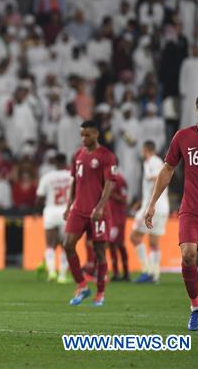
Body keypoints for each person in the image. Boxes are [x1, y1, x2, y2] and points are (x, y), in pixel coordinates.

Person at [143, 91, 198, 332]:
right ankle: (195, 308)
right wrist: (152, 202)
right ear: (196, 111)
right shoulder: (183, 137)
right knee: (187, 255)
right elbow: (167, 169)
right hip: (191, 209)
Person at [63, 120, 118, 307]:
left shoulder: (107, 156)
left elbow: (110, 183)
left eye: (87, 135)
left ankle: (100, 293)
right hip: (79, 209)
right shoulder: (78, 154)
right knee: (68, 245)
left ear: (96, 134)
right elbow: (74, 181)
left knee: (100, 252)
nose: (84, 138)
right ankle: (82, 286)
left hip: (98, 212)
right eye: (82, 135)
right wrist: (69, 204)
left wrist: (101, 207)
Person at [130, 140, 167, 284]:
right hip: (163, 207)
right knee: (154, 243)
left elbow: (155, 179)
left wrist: (148, 205)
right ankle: (155, 275)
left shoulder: (150, 162)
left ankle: (146, 271)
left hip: (152, 207)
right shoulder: (160, 162)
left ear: (145, 150)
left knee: (134, 237)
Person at [36, 153, 72, 283]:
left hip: (51, 211)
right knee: (65, 245)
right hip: (66, 212)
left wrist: (37, 211)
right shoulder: (71, 176)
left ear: (54, 163)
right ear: (66, 162)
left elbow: (39, 197)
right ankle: (62, 276)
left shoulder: (47, 177)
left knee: (50, 244)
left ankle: (51, 273)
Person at [107, 172, 130, 282]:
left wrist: (110, 194)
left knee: (119, 244)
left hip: (118, 218)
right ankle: (116, 273)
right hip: (110, 218)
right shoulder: (107, 178)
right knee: (111, 244)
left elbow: (124, 198)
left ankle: (125, 273)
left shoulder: (119, 179)